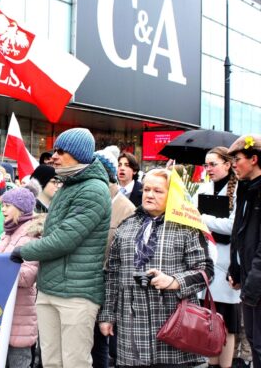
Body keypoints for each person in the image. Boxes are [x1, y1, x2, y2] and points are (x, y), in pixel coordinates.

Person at [12, 127, 111, 368]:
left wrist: (23, 252)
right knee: (51, 362)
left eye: (61, 151)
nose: (53, 156)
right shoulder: (68, 185)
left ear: (79, 154)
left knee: (75, 363)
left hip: (76, 294)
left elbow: (66, 239)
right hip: (50, 288)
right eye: (54, 150)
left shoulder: (94, 189)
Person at [100, 168, 214, 367]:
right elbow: (112, 275)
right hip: (131, 328)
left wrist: (173, 281)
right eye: (146, 189)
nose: (149, 195)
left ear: (172, 195)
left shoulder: (186, 227)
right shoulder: (126, 226)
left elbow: (205, 271)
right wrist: (107, 315)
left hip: (173, 325)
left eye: (158, 191)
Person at [193, 146, 241, 368]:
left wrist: (204, 219)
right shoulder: (203, 188)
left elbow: (234, 226)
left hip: (228, 263)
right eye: (206, 164)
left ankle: (226, 365)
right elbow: (190, 215)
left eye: (213, 164)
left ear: (227, 164)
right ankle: (211, 363)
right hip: (206, 261)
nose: (208, 169)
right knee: (208, 321)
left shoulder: (240, 190)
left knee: (228, 323)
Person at [92, 146, 136, 368]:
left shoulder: (126, 209)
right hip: (86, 282)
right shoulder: (91, 201)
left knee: (102, 342)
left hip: (108, 285)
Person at [0, 180, 43, 368]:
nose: (3, 210)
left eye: (7, 206)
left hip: (20, 313)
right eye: (2, 205)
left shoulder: (31, 235)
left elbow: (27, 276)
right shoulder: (8, 232)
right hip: (5, 311)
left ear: (20, 208)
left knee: (19, 362)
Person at [228, 134, 261, 368]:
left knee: (259, 343)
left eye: (237, 159)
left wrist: (252, 283)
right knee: (254, 339)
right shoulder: (245, 189)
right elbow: (238, 233)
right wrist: (235, 268)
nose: (233, 165)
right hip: (248, 279)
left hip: (257, 283)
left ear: (254, 159)